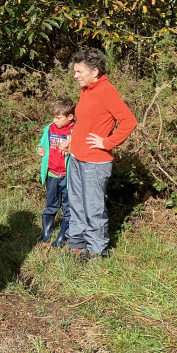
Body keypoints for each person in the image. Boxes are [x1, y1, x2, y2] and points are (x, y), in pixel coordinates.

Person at [63, 49, 137, 261]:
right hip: (76, 157)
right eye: (74, 71)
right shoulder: (86, 89)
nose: (75, 75)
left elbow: (129, 121)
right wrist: (73, 138)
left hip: (95, 162)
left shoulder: (106, 91)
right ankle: (77, 245)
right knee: (76, 203)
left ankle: (96, 251)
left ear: (95, 71)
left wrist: (107, 142)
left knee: (93, 208)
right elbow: (86, 120)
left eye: (79, 71)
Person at [36, 98, 76, 248]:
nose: (55, 120)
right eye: (54, 117)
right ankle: (46, 234)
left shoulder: (76, 131)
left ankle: (62, 236)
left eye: (58, 118)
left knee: (68, 206)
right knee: (51, 204)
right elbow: (41, 146)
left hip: (68, 177)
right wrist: (39, 150)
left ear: (70, 117)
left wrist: (71, 151)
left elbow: (80, 152)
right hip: (52, 174)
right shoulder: (49, 129)